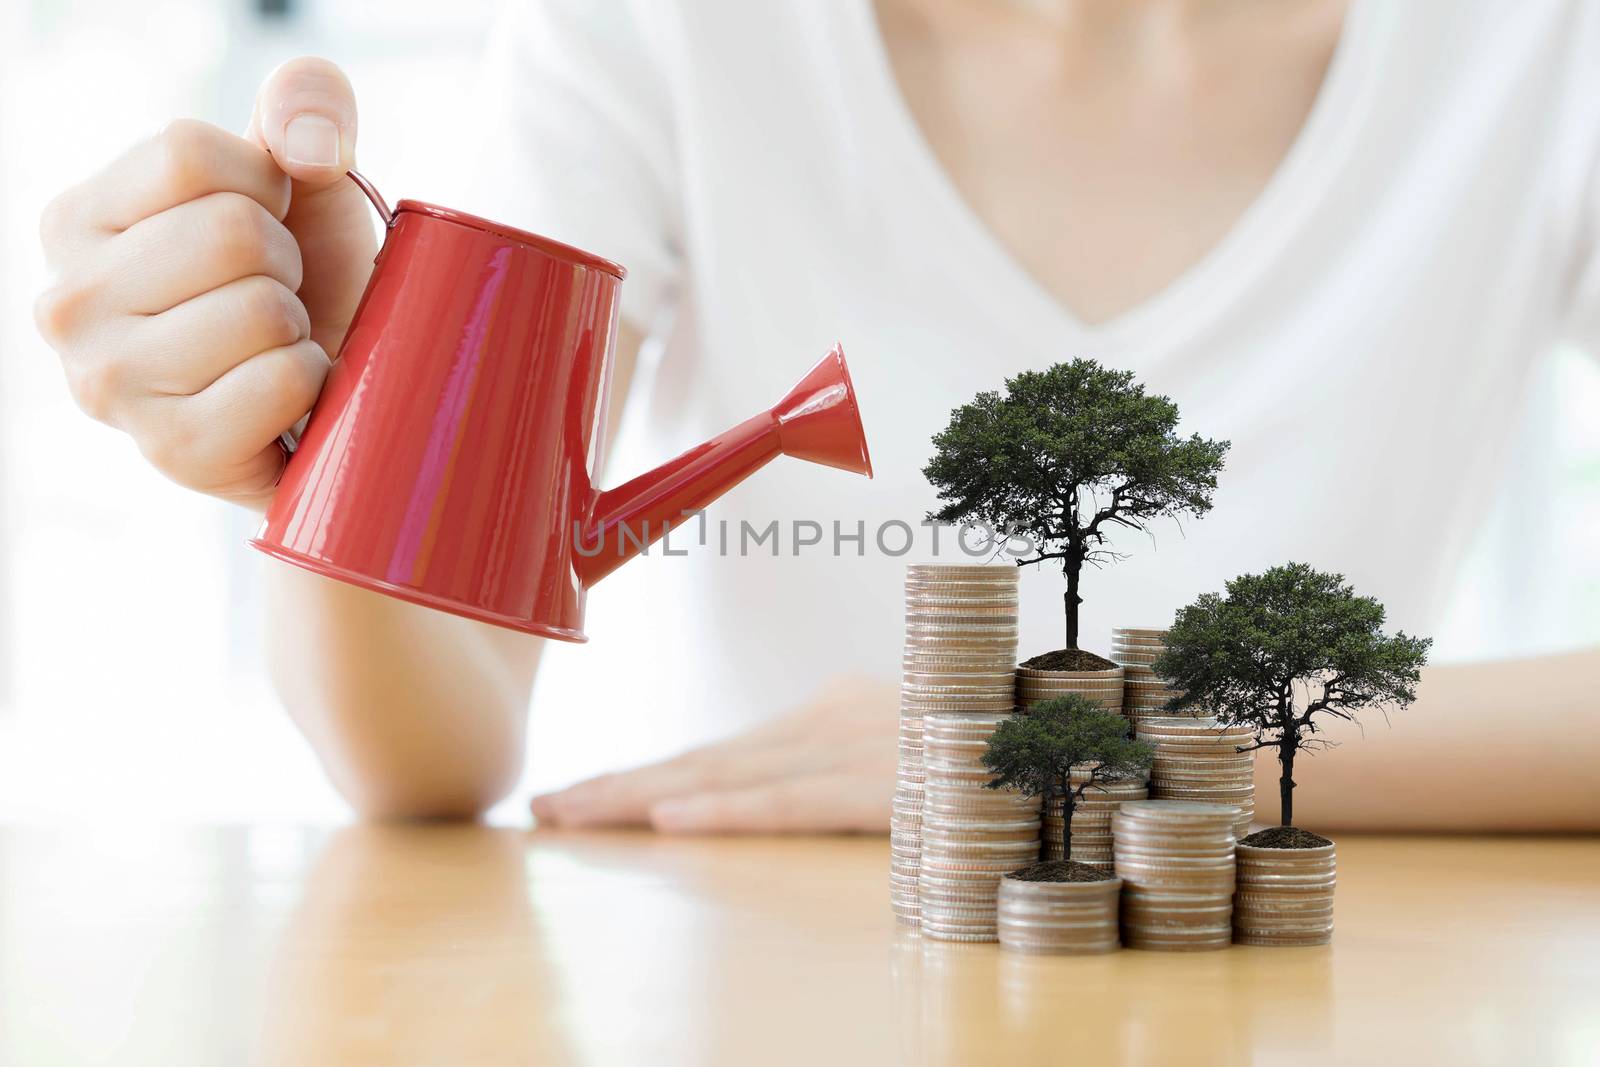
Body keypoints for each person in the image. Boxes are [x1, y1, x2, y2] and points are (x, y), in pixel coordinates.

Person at [33, 0, 1600, 831]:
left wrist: (1124, 743)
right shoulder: (661, 27)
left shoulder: (1543, 45)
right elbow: (432, 756)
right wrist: (338, 463)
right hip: (757, 977)